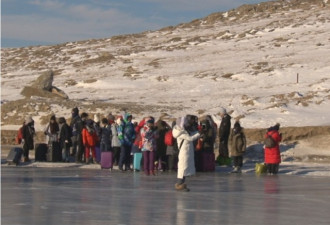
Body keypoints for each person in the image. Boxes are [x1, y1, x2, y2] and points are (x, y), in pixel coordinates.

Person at [172, 116, 201, 192]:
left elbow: (191, 134)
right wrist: (199, 134)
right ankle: (179, 184)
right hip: (183, 152)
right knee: (182, 168)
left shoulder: (184, 130)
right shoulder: (179, 132)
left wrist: (199, 132)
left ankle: (182, 183)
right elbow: (190, 138)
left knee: (185, 168)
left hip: (187, 152)